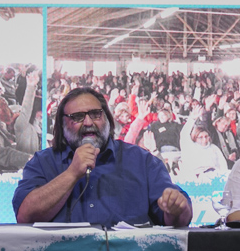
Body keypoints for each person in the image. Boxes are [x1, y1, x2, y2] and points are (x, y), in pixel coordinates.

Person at [13, 88, 192, 227]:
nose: (88, 122)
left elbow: (180, 218)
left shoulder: (141, 161)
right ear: (62, 124)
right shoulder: (43, 162)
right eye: (77, 117)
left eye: (95, 114)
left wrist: (176, 209)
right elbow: (25, 216)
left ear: (107, 119)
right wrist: (71, 174)